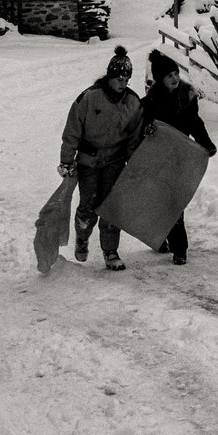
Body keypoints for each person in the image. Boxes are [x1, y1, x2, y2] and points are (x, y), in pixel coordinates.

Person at [59, 46, 145, 270]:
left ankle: (110, 251)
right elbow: (72, 131)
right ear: (109, 76)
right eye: (118, 78)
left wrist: (134, 165)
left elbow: (134, 137)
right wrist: (67, 161)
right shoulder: (89, 98)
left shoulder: (132, 103)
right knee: (89, 204)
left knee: (111, 207)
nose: (122, 83)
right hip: (89, 160)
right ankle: (82, 237)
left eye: (126, 79)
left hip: (115, 162)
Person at [141, 50, 218, 265]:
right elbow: (140, 129)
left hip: (179, 158)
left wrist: (207, 144)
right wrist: (146, 131)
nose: (174, 78)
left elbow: (195, 122)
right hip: (158, 159)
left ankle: (179, 247)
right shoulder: (150, 102)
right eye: (169, 76)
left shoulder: (187, 97)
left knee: (175, 202)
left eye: (176, 73)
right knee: (160, 201)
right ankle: (163, 237)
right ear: (159, 80)